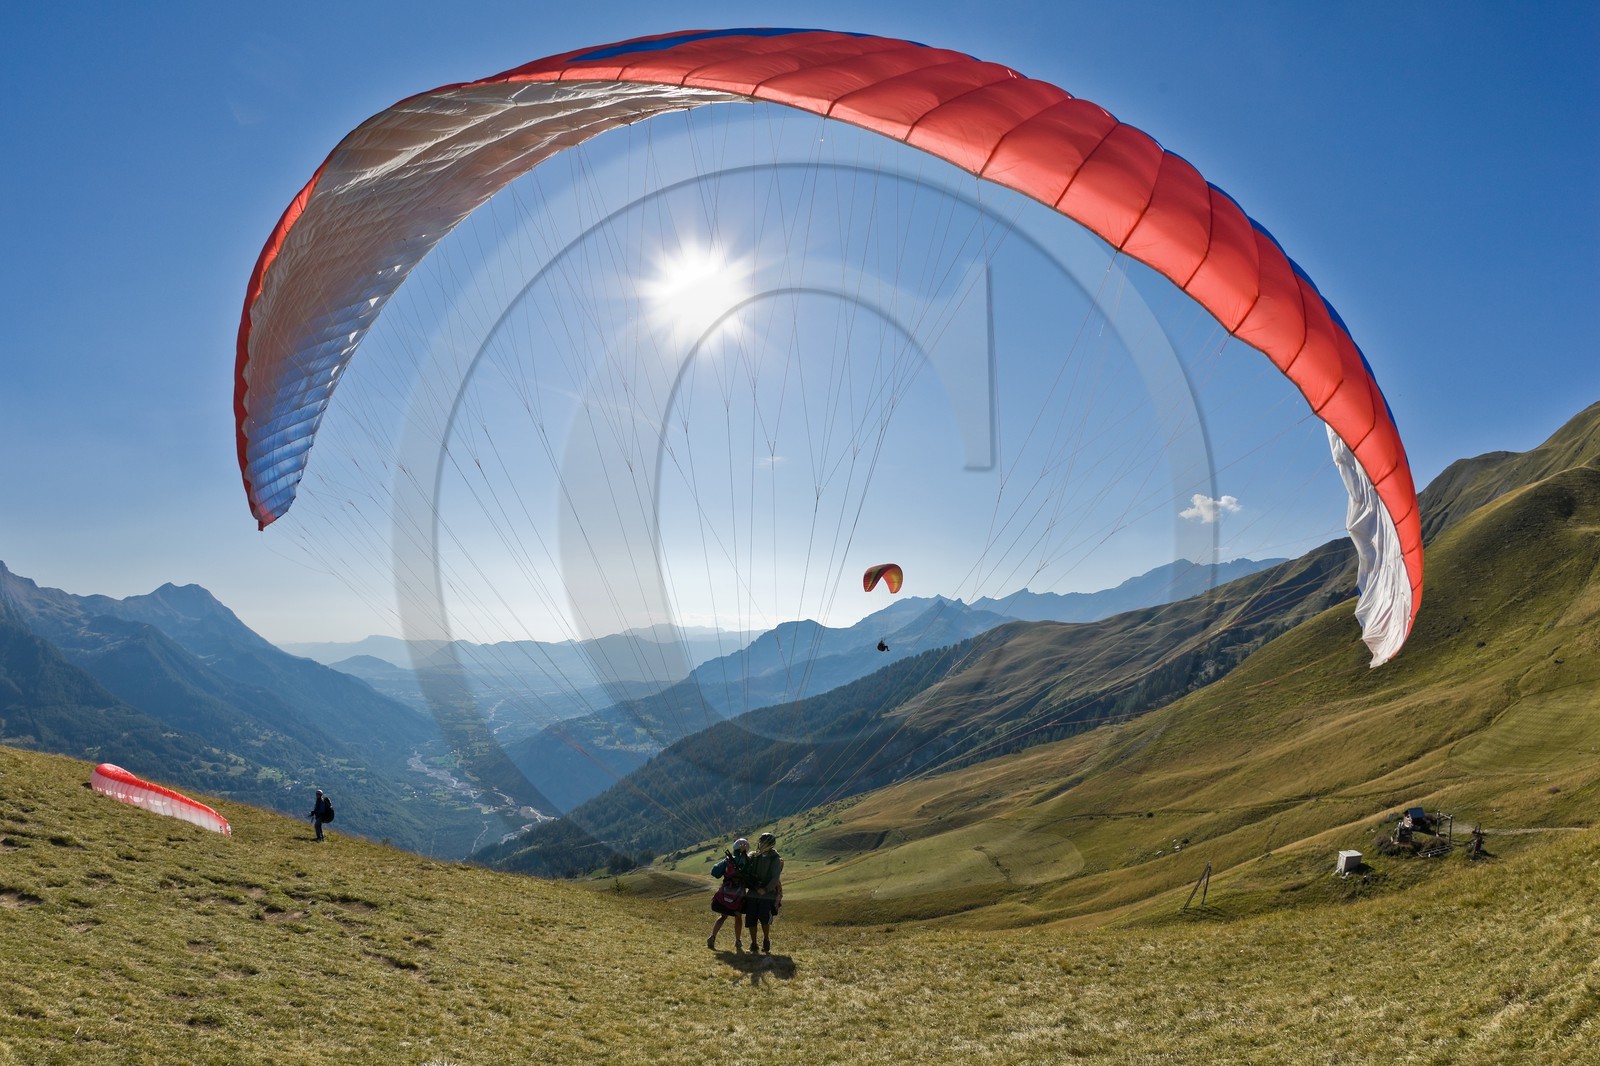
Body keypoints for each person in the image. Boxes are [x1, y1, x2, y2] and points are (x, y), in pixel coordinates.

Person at [742, 831, 784, 954]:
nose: (760, 844)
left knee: (764, 918)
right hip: (753, 891)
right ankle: (754, 943)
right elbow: (745, 864)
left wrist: (765, 889)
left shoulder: (775, 858)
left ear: (769, 844)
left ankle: (766, 940)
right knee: (751, 918)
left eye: (763, 842)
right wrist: (742, 853)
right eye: (760, 842)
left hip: (767, 893)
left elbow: (775, 878)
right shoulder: (754, 855)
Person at [707, 837, 750, 950]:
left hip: (725, 892)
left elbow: (715, 871)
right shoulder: (747, 861)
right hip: (739, 895)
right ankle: (738, 941)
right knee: (738, 916)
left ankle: (712, 937)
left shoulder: (728, 860)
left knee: (723, 916)